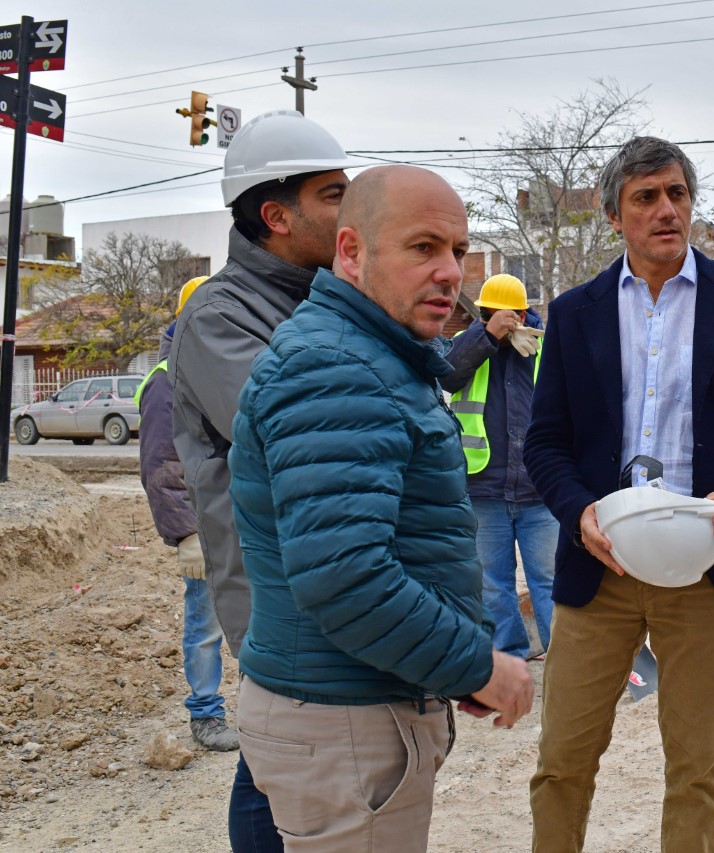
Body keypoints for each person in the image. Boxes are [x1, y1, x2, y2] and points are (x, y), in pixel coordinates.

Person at [228, 165, 534, 851]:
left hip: (360, 706)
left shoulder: (377, 352)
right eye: (422, 247)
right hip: (344, 719)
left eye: (457, 250)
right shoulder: (338, 366)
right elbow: (346, 576)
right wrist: (477, 663)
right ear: (352, 252)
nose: (451, 272)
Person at [524, 135, 714, 852]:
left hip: (710, 567)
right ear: (613, 215)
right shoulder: (575, 313)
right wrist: (576, 509)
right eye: (646, 197)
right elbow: (545, 441)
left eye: (677, 194)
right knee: (561, 763)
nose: (666, 210)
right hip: (600, 568)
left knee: (699, 767)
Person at [169, 109, 363, 852]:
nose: (354, 209)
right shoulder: (221, 316)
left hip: (335, 575)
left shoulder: (327, 300)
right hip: (277, 587)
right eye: (334, 193)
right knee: (282, 768)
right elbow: (305, 435)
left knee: (300, 765)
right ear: (277, 214)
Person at [136, 275, 237, 753]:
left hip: (236, 520)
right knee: (205, 625)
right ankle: (205, 713)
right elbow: (161, 465)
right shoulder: (165, 381)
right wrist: (186, 536)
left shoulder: (210, 366)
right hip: (205, 527)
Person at [441, 273, 555, 660]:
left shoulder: (546, 350)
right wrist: (487, 335)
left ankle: (566, 660)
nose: (504, 319)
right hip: (482, 487)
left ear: (525, 312)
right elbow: (448, 374)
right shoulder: (462, 344)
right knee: (492, 584)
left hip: (540, 491)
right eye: (491, 313)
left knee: (552, 581)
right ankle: (508, 657)